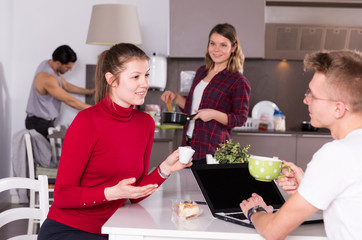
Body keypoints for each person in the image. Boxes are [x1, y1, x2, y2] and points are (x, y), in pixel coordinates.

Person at [37, 43, 192, 240]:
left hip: (115, 228)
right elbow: (63, 195)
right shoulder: (87, 121)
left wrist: (164, 169)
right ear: (112, 80)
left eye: (146, 75)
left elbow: (134, 194)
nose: (144, 83)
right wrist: (111, 193)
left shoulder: (145, 123)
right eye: (135, 77)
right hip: (70, 229)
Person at [240, 50, 362, 240]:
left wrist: (255, 211)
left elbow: (273, 231)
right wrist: (308, 187)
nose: (306, 100)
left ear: (338, 108)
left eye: (313, 95)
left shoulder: (337, 154)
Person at [161, 23, 251, 164]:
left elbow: (240, 118)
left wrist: (213, 114)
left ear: (233, 47)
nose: (216, 49)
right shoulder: (201, 71)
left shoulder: (238, 81)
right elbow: (194, 108)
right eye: (213, 44)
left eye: (223, 45)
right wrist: (177, 98)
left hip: (212, 149)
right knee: (186, 185)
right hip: (188, 145)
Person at [25, 45, 95, 138]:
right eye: (68, 67)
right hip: (38, 124)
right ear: (58, 63)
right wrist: (96, 110)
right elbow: (69, 100)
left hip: (45, 122)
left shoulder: (49, 64)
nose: (70, 70)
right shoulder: (47, 78)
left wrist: (89, 91)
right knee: (48, 152)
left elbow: (66, 85)